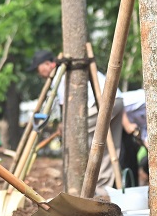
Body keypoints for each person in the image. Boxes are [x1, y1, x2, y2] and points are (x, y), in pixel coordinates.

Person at [27, 50, 124, 196]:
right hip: (117, 99)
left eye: (38, 68)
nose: (38, 73)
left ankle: (88, 188)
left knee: (79, 138)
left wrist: (65, 126)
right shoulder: (63, 70)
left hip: (100, 103)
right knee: (109, 146)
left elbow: (66, 105)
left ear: (48, 64)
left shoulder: (60, 72)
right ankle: (104, 190)